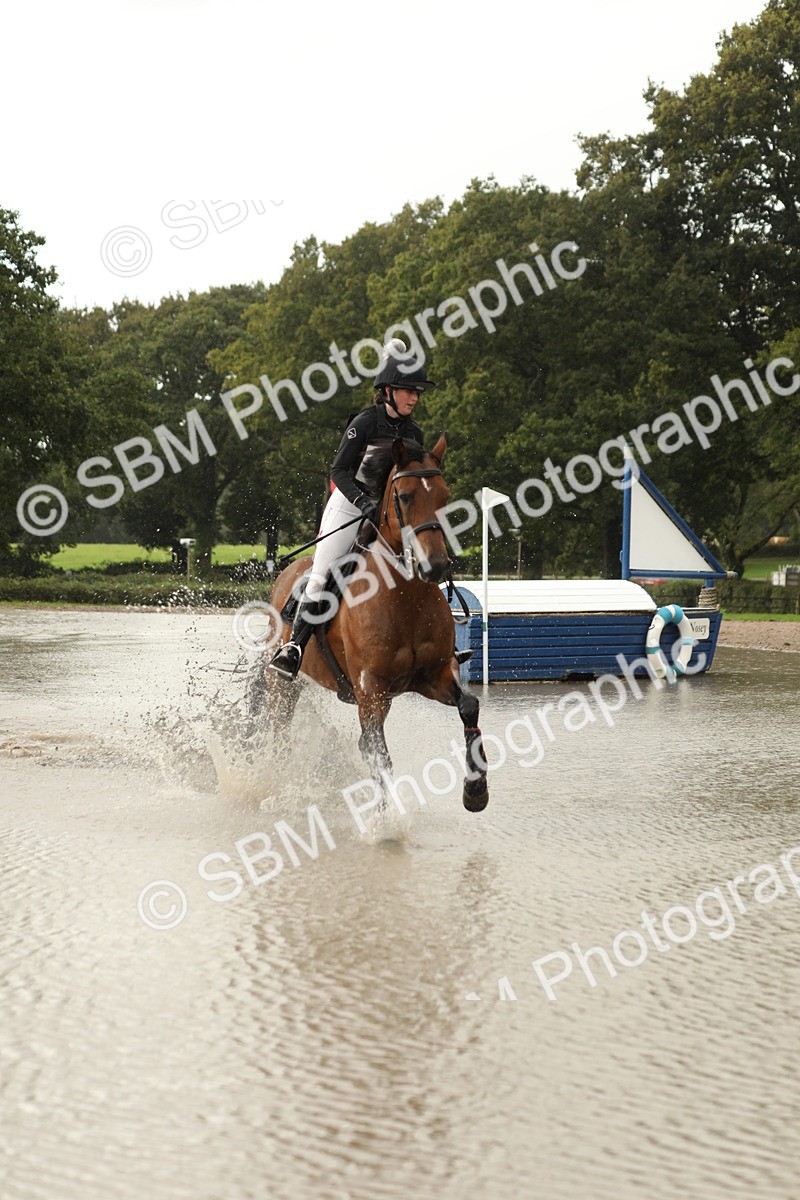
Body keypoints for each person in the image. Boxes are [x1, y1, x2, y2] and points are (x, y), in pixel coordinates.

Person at [269, 338, 435, 680]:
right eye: (408, 391)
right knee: (321, 574)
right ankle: (293, 648)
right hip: (349, 504)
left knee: (420, 562)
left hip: (388, 512)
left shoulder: (415, 433)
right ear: (388, 391)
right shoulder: (365, 422)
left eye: (417, 392)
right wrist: (361, 501)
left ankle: (430, 644)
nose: (414, 397)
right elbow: (338, 471)